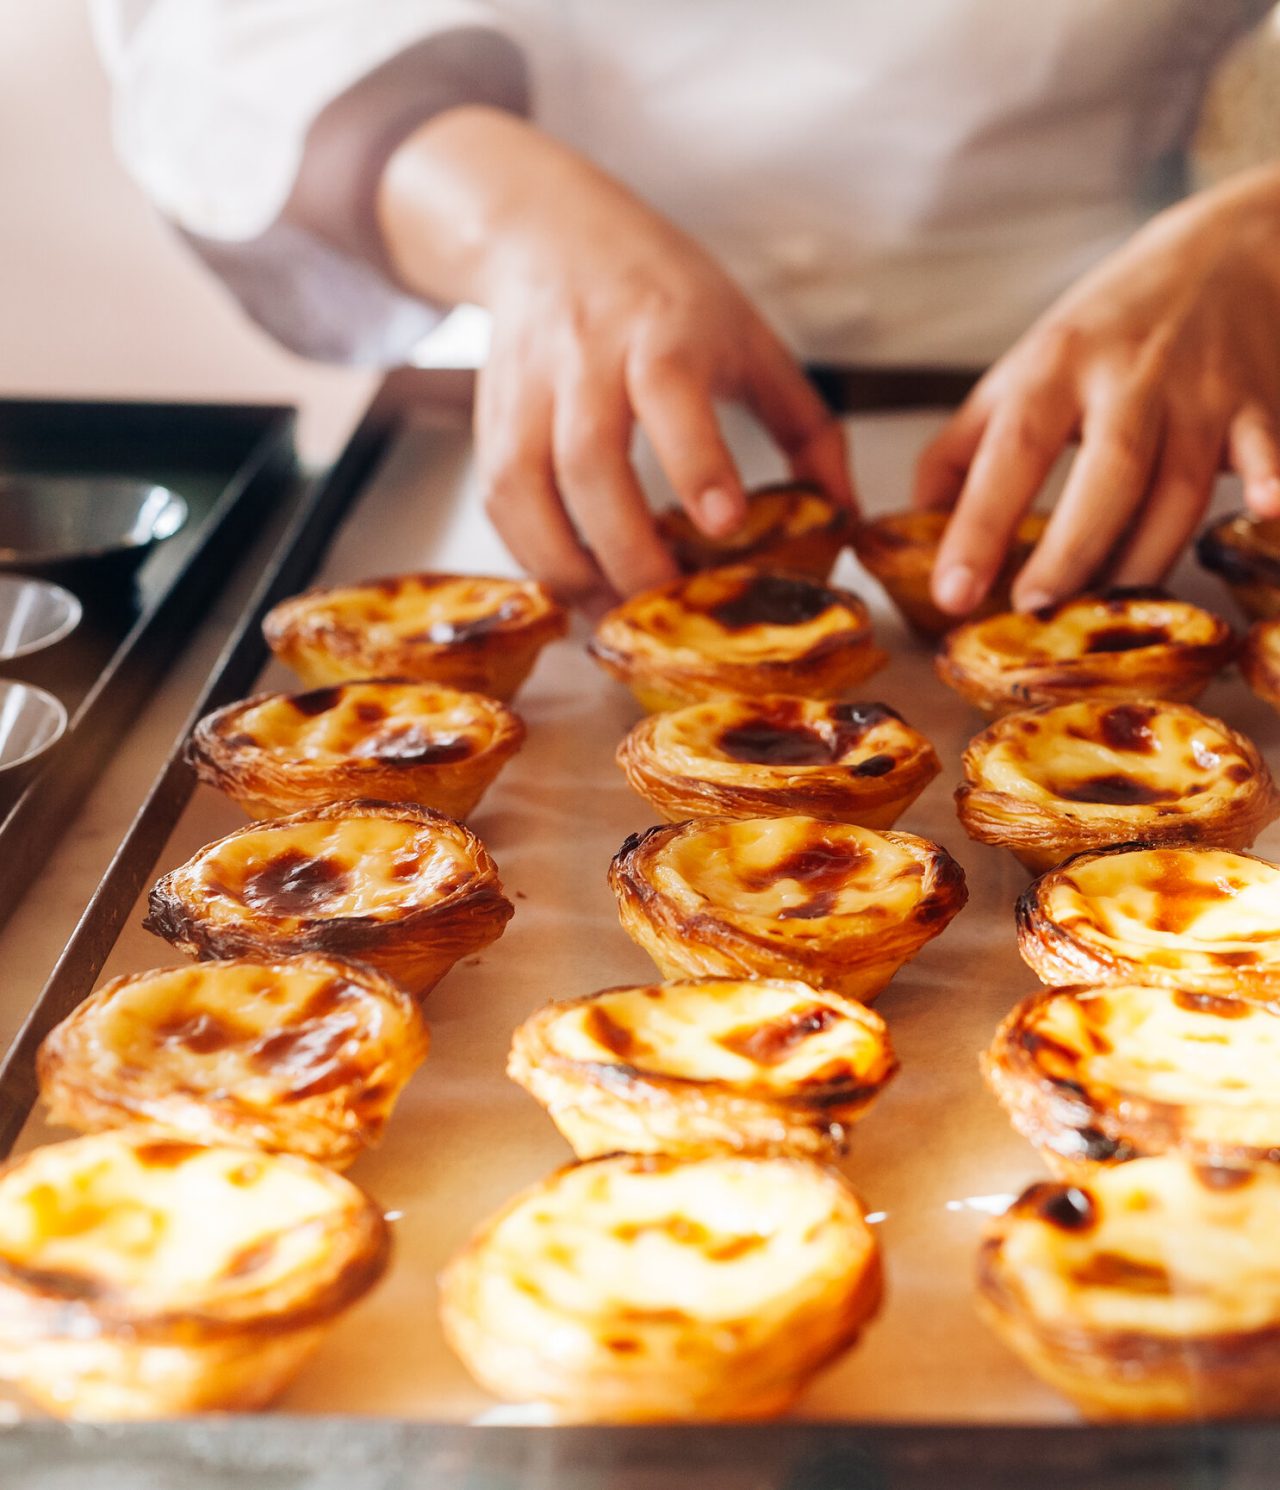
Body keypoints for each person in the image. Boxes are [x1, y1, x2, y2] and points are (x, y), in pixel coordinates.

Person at [92, 1, 1280, 615]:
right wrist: (513, 221)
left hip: (1137, 392)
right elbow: (230, 27)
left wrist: (1258, 231)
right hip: (546, 396)